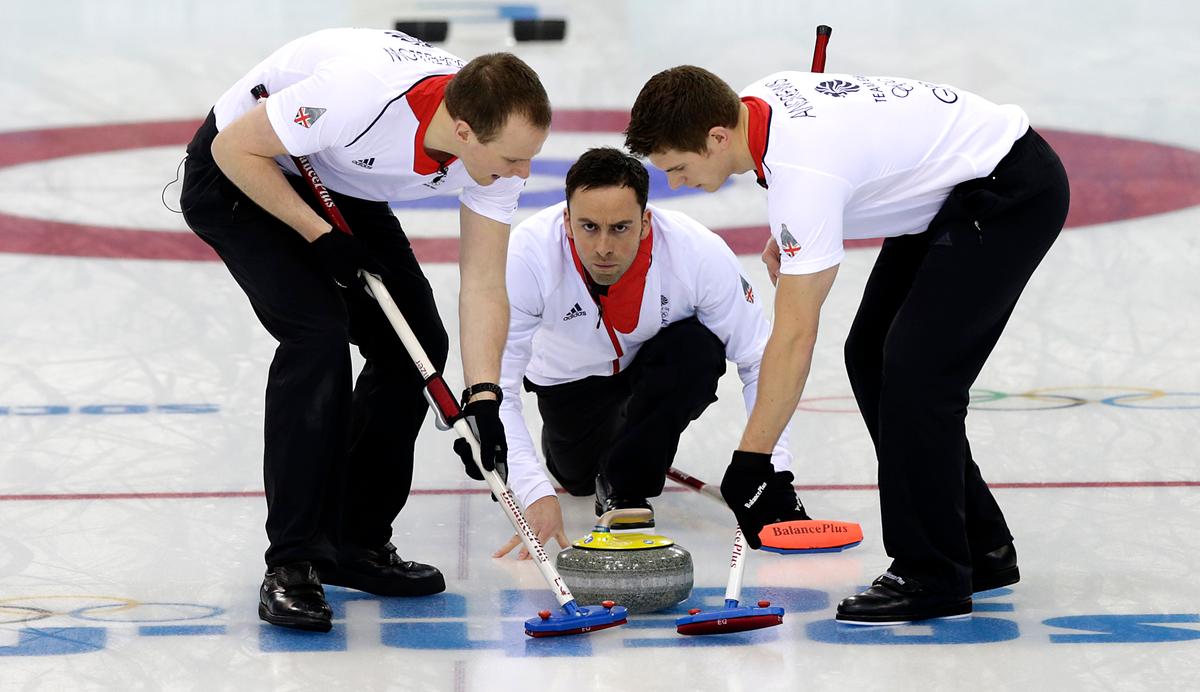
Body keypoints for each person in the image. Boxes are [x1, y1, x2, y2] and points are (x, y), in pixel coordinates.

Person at [625, 66, 1069, 624]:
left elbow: (793, 335)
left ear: (717, 137)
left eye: (679, 168)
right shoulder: (758, 106)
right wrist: (791, 226)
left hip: (1008, 193)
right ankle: (980, 546)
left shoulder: (802, 169)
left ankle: (931, 573)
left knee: (917, 377)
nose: (678, 184)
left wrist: (752, 459)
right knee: (871, 356)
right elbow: (825, 173)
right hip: (948, 191)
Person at [179, 27, 551, 631]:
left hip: (338, 180)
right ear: (462, 132)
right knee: (317, 336)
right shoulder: (359, 94)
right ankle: (293, 563)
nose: (524, 170)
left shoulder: (494, 150)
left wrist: (484, 396)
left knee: (416, 348)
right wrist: (319, 235)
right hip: (245, 173)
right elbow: (232, 150)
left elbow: (484, 279)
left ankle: (355, 541)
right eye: (513, 158)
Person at [492, 147, 806, 559]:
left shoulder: (696, 253)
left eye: (620, 228)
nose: (603, 247)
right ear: (566, 221)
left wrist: (772, 471)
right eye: (589, 226)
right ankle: (604, 455)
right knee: (578, 479)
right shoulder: (527, 256)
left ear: (645, 223)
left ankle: (626, 486)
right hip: (569, 384)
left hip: (654, 366)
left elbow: (759, 360)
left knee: (696, 350)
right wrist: (533, 492)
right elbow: (497, 386)